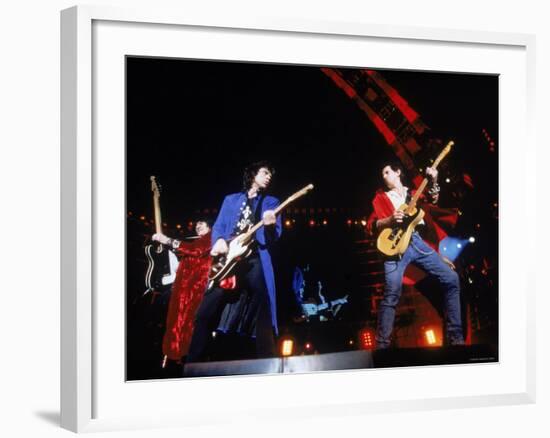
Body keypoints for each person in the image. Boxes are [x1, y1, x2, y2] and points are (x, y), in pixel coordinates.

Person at [186, 161, 282, 362]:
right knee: (205, 310)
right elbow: (219, 226)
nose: (269, 176)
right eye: (265, 172)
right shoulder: (230, 200)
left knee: (264, 301)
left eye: (270, 174)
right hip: (230, 260)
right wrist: (219, 240)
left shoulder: (271, 202)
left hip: (254, 257)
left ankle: (269, 360)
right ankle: (193, 362)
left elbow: (274, 236)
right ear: (252, 174)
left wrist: (271, 226)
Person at [366, 162, 464, 349]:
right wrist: (389, 220)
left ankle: (456, 340)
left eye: (387, 172)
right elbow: (370, 225)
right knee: (391, 296)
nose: (384, 176)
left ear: (398, 172)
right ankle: (381, 348)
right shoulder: (381, 198)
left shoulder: (413, 194)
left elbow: (432, 200)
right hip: (393, 250)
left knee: (451, 279)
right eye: (382, 174)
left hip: (417, 243)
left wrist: (434, 178)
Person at [152, 218, 212, 364]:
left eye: (201, 223)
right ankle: (172, 357)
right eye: (196, 224)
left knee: (187, 323)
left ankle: (184, 359)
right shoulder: (197, 239)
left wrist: (167, 240)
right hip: (183, 286)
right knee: (175, 321)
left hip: (194, 287)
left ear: (210, 226)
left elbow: (195, 250)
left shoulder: (210, 237)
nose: (197, 226)